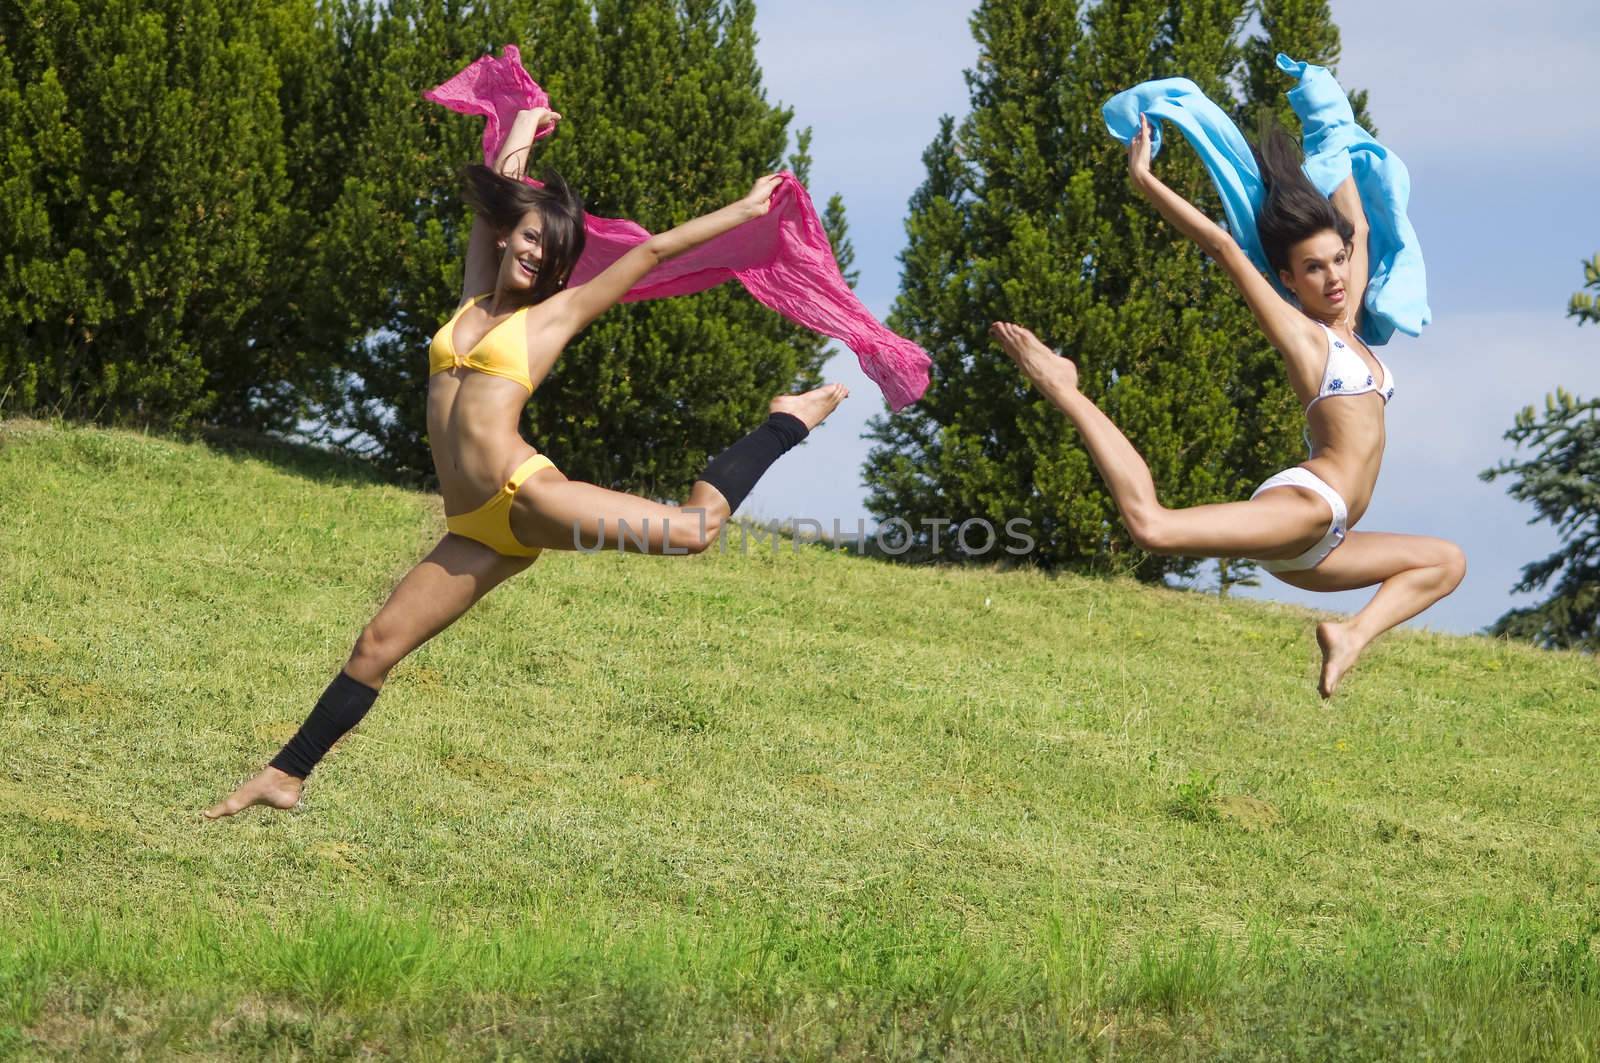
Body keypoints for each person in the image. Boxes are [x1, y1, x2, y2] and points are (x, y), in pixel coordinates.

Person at [207, 105, 846, 818]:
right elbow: (500, 199)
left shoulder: (551, 318)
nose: (536, 253)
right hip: (474, 527)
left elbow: (651, 254)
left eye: (550, 251)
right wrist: (522, 126)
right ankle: (285, 774)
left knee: (694, 530)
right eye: (531, 237)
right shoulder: (473, 293)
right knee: (376, 644)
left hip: (524, 494)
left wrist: (746, 208)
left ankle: (785, 422)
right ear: (510, 235)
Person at [991, 115, 1464, 698]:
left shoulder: (1348, 323)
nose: (1335, 275)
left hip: (1326, 543)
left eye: (1336, 261)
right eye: (1314, 268)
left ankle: (1350, 636)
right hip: (1309, 505)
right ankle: (1066, 388)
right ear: (1289, 280)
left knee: (1446, 562)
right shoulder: (1305, 337)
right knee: (1152, 527)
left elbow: (1359, 228)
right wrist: (1145, 180)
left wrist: (1330, 124)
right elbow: (1222, 247)